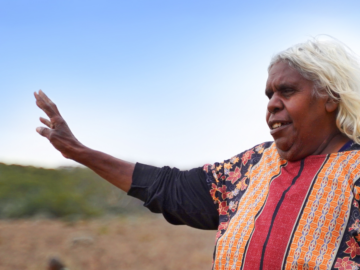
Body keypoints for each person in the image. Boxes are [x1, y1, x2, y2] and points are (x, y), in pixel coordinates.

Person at [35, 37, 360, 270]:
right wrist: (79, 152)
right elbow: (168, 187)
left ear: (330, 97)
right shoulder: (252, 166)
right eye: (269, 94)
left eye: (287, 91)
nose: (272, 103)